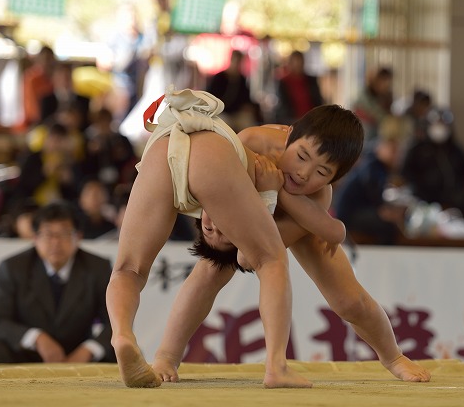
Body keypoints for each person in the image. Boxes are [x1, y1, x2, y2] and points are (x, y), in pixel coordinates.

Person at [150, 107, 431, 384]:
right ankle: (166, 356)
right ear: (290, 134)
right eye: (302, 156)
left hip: (297, 219)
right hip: (247, 205)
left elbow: (251, 257)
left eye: (322, 172)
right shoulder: (251, 143)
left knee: (349, 300)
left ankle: (394, 357)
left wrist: (276, 192)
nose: (304, 173)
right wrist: (212, 211)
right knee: (210, 270)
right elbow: (213, 183)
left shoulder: (318, 198)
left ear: (334, 179)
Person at [106, 87, 312, 389]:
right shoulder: (273, 166)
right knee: (271, 258)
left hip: (163, 145)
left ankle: (123, 335)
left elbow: (235, 255)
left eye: (211, 231)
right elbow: (253, 253)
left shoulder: (221, 193)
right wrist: (269, 196)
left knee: (128, 269)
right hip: (203, 146)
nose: (215, 224)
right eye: (221, 230)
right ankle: (277, 366)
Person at [0, 201, 115, 364]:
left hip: (78, 355)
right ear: (35, 238)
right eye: (48, 234)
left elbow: (115, 322)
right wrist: (36, 338)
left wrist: (89, 350)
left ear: (79, 237)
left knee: (120, 353)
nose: (55, 242)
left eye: (64, 234)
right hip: (26, 353)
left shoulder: (98, 268)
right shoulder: (13, 268)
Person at [401, 108, 464, 218]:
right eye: (436, 124)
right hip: (424, 203)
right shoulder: (418, 150)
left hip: (454, 204)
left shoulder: (456, 150)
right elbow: (406, 173)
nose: (440, 128)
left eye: (443, 124)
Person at [333, 134, 405, 245]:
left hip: (355, 211)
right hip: (349, 214)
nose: (396, 157)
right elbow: (375, 196)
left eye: (397, 153)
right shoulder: (372, 166)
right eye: (392, 151)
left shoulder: (376, 166)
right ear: (381, 148)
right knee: (388, 227)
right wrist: (387, 211)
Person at [206, 49, 257, 132]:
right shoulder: (219, 77)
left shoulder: (241, 79)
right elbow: (210, 95)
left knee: (247, 124)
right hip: (221, 112)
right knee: (224, 125)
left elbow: (246, 98)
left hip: (236, 113)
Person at [273, 50, 324, 125]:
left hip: (311, 120)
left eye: (300, 62)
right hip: (290, 121)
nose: (298, 65)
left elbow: (318, 100)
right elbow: (283, 105)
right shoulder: (284, 82)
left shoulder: (311, 80)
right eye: (295, 62)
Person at [353, 67, 393, 145]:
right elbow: (378, 114)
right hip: (363, 132)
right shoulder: (365, 94)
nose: (386, 86)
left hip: (375, 134)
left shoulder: (384, 96)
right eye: (384, 81)